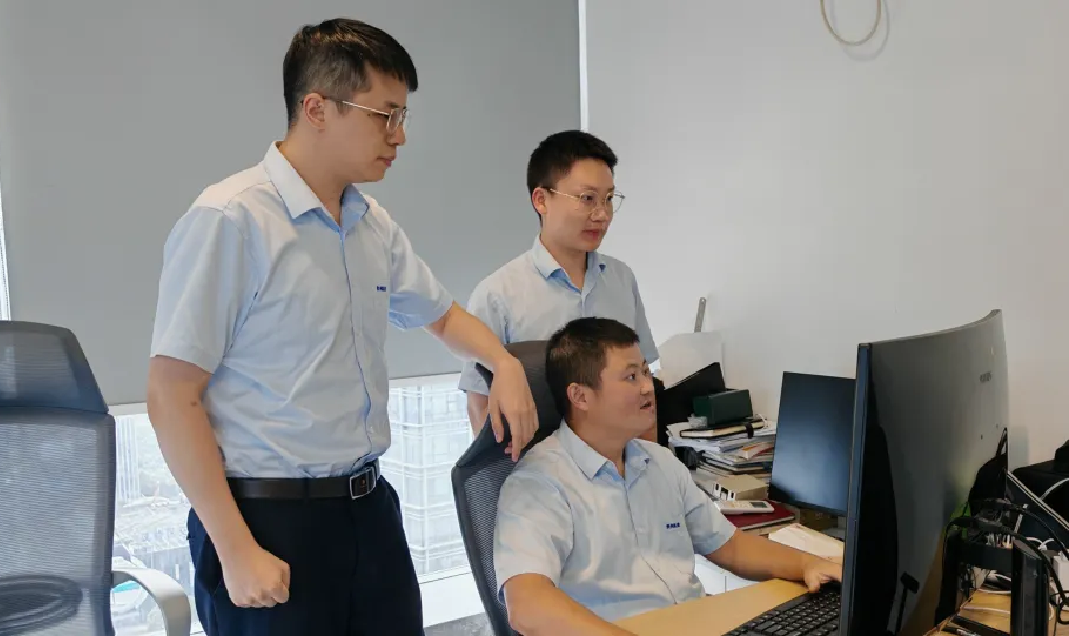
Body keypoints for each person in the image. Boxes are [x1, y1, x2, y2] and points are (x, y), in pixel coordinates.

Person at [146, 18, 538, 636]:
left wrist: (505, 363)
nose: (399, 135)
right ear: (317, 109)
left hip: (367, 510)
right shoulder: (231, 219)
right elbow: (171, 394)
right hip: (266, 520)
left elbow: (440, 315)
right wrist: (235, 548)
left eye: (403, 116)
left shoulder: (369, 222)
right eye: (385, 115)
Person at [493, 317, 842, 636]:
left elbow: (731, 547)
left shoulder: (659, 461)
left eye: (647, 372)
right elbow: (527, 606)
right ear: (580, 396)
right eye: (631, 377)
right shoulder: (539, 483)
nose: (649, 387)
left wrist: (807, 564)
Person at [458, 130, 659, 439]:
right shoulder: (498, 295)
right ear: (541, 200)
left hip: (624, 464)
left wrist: (653, 461)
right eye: (587, 199)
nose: (602, 214)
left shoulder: (621, 279)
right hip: (542, 466)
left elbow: (644, 389)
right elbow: (480, 406)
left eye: (608, 199)